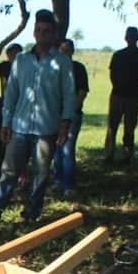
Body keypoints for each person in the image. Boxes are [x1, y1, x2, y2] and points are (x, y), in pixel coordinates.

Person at [0, 9, 75, 224]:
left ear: (53, 35)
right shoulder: (21, 60)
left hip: (47, 129)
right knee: (9, 171)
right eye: (39, 30)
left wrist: (65, 124)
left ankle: (31, 213)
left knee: (41, 175)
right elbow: (11, 93)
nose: (42, 35)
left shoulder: (62, 62)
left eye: (47, 31)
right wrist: (6, 122)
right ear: (34, 33)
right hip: (20, 127)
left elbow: (69, 96)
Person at [104, 26, 138, 164]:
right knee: (112, 127)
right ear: (126, 38)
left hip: (133, 96)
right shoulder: (118, 55)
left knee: (130, 128)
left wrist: (133, 86)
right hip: (117, 95)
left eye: (133, 36)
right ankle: (108, 155)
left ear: (137, 38)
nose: (131, 39)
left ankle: (127, 155)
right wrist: (118, 86)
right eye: (129, 36)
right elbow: (112, 75)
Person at [51, 39, 88, 196]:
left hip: (72, 115)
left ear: (72, 51)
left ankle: (68, 184)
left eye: (68, 50)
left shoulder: (78, 68)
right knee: (56, 149)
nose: (65, 53)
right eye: (62, 50)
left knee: (67, 149)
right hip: (54, 115)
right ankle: (57, 180)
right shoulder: (54, 68)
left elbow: (82, 92)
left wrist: (71, 111)